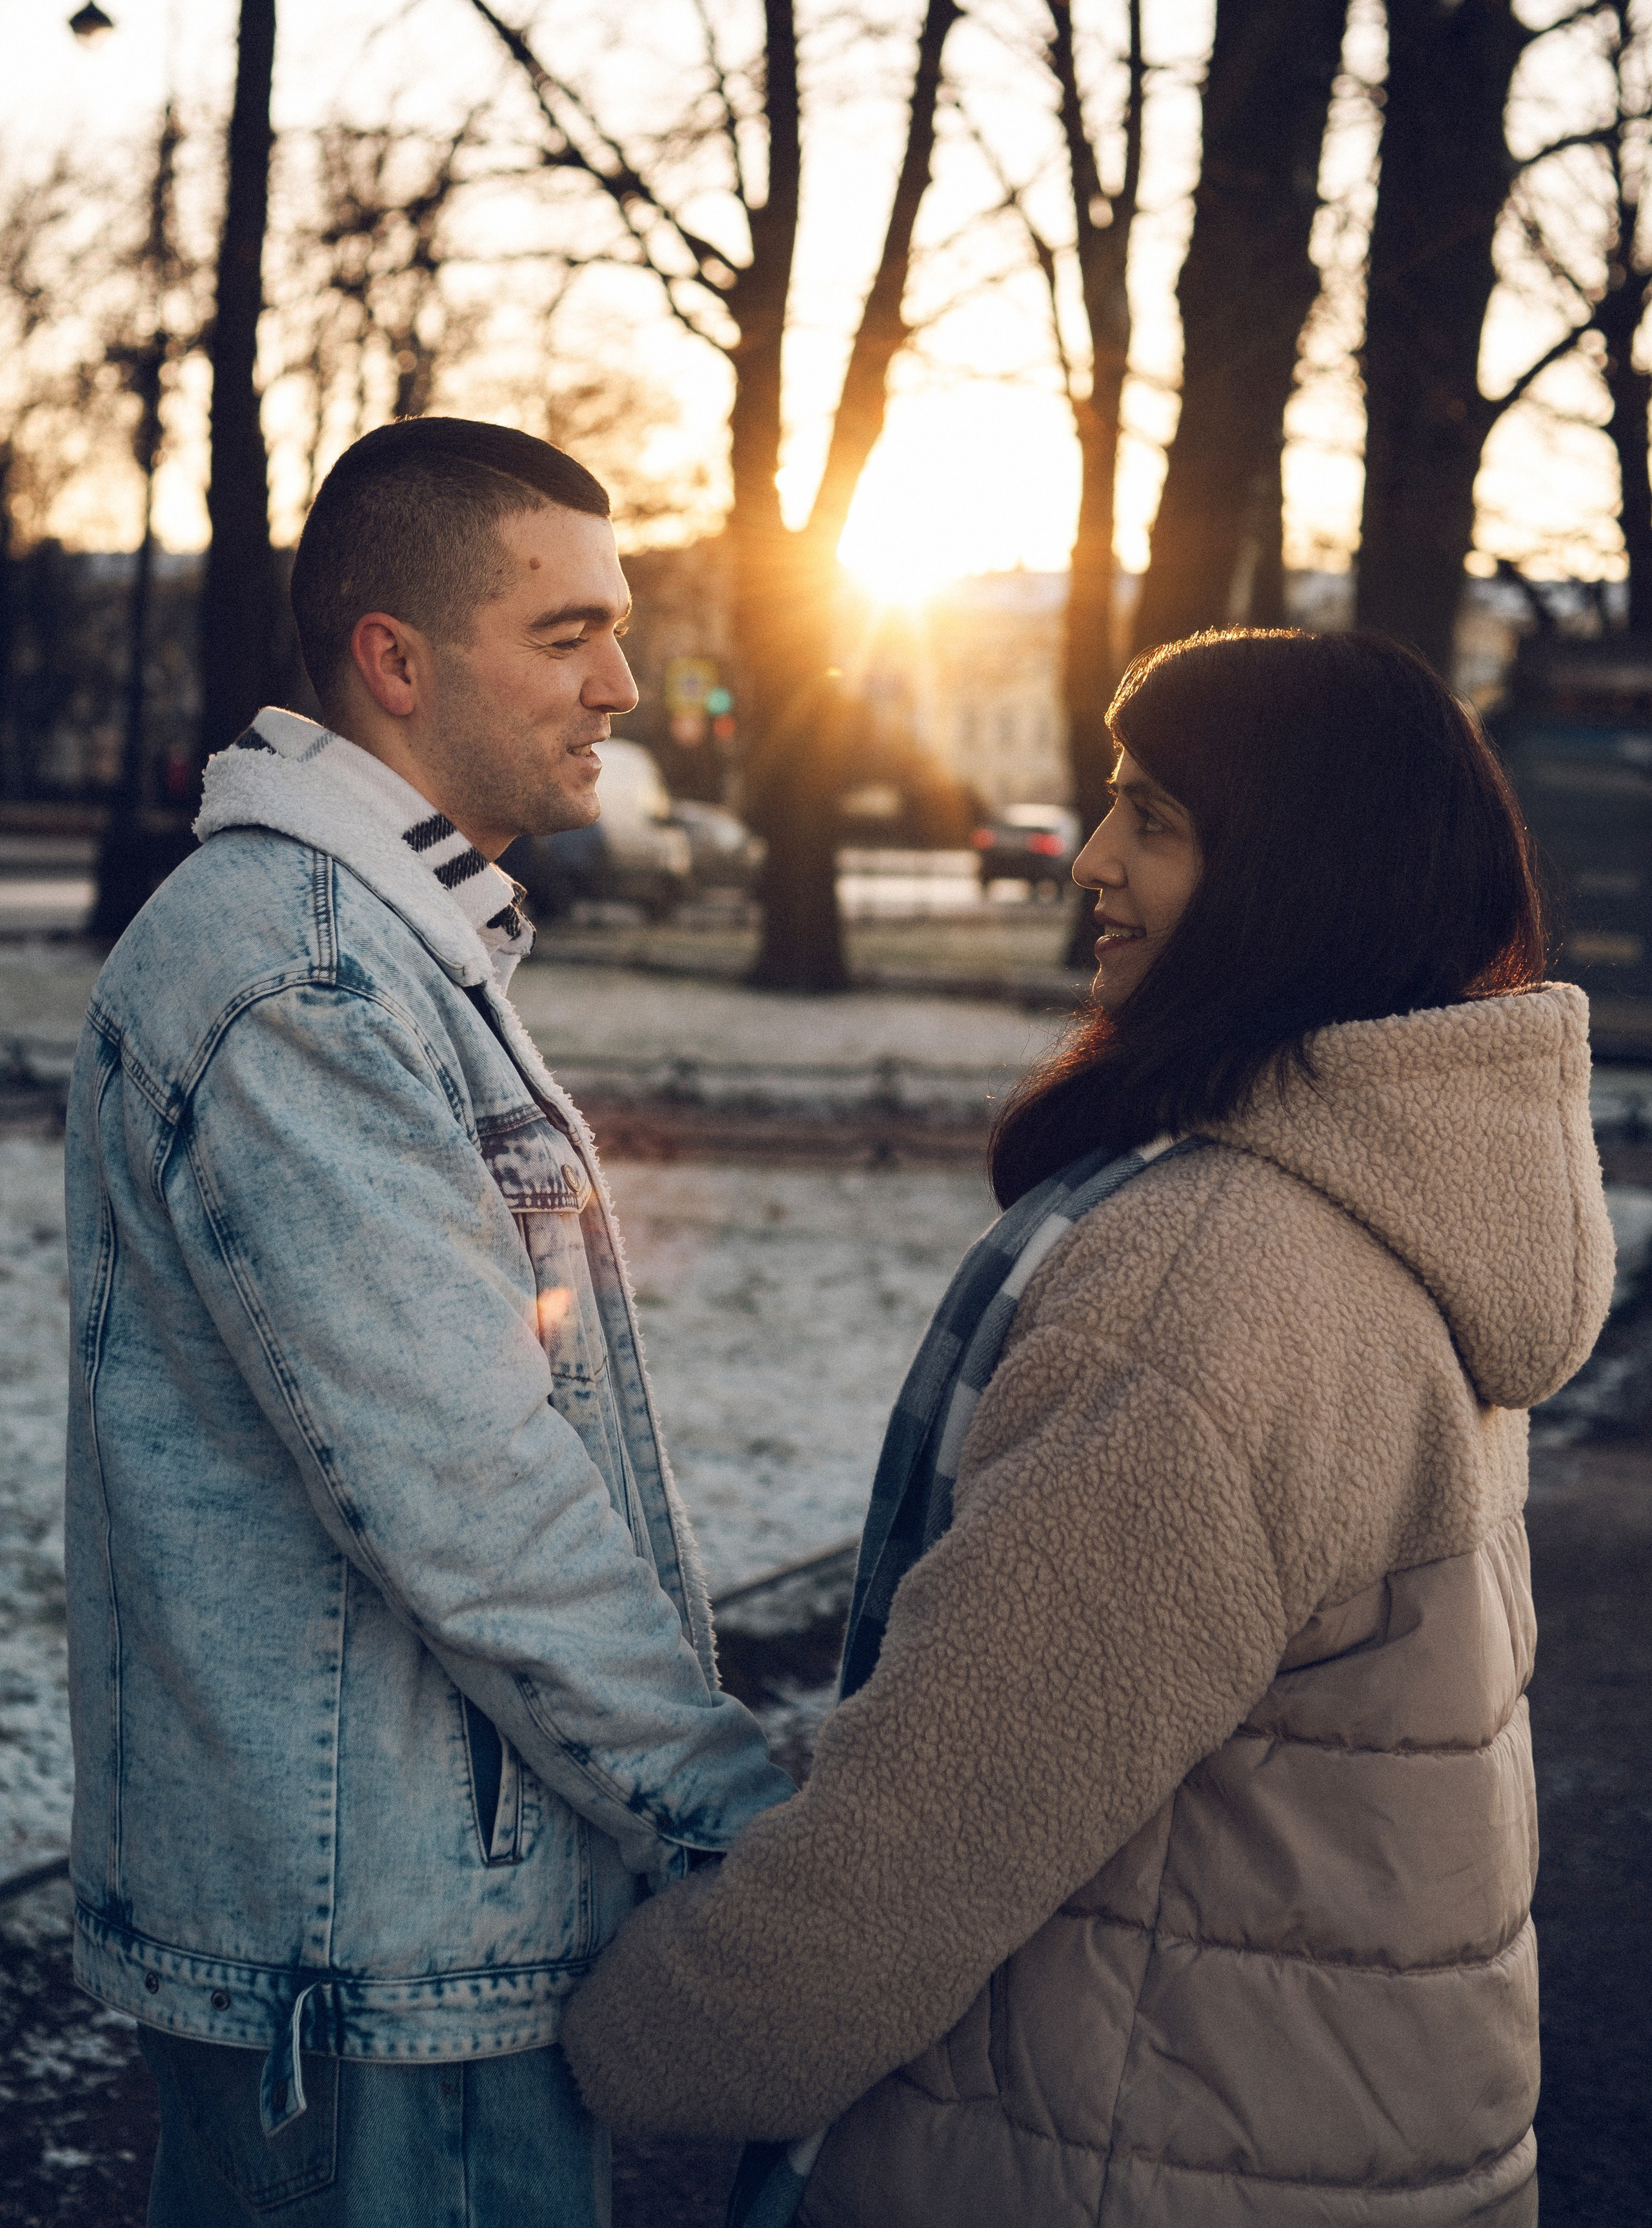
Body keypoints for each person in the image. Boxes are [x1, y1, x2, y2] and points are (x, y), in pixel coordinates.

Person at [559, 628, 1616, 2228]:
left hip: (1127, 2153)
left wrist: (634, 2039)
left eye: (1154, 818)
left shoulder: (1216, 1277)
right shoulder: (1417, 1215)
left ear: (1296, 873)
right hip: (1355, 2129)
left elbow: (939, 1824)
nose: (1093, 861)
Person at [62, 416, 789, 2228]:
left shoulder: (378, 943)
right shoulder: (299, 973)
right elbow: (465, 1484)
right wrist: (733, 1814)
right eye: (565, 636)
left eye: (617, 629)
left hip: (404, 1933)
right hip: (375, 1977)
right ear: (394, 657)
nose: (623, 682)